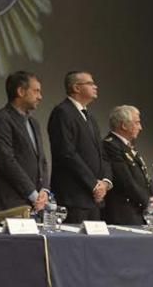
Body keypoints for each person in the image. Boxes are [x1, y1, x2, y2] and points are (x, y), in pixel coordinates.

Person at [48, 71, 112, 223]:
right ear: (76, 88)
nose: (95, 87)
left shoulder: (90, 117)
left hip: (94, 198)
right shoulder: (63, 112)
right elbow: (66, 153)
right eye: (90, 83)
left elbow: (102, 154)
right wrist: (93, 184)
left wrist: (105, 182)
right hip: (74, 196)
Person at [0, 71, 49, 215]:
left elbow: (42, 161)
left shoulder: (34, 123)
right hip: (10, 203)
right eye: (36, 91)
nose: (40, 97)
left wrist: (44, 190)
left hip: (36, 205)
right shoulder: (1, 119)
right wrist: (33, 194)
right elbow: (6, 161)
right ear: (21, 91)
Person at [102, 105, 153, 225]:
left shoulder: (127, 146)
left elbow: (145, 176)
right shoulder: (111, 145)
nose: (140, 127)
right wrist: (148, 201)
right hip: (124, 211)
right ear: (124, 125)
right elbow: (125, 179)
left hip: (138, 208)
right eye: (137, 123)